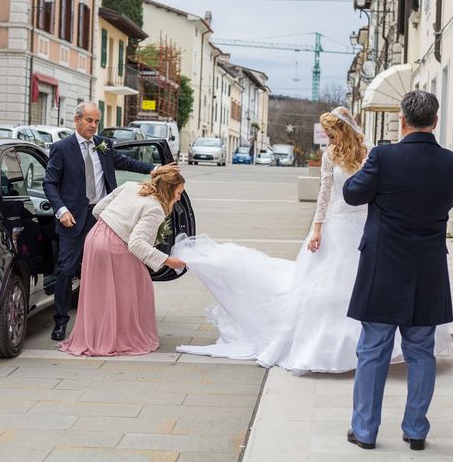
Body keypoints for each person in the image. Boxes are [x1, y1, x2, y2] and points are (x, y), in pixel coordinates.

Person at [173, 106, 450, 375]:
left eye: (332, 134)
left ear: (344, 130)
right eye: (327, 135)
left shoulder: (372, 154)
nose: (329, 140)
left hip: (365, 224)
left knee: (365, 287)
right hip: (337, 224)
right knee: (328, 287)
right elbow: (325, 193)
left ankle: (374, 350)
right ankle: (329, 348)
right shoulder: (330, 155)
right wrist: (317, 228)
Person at [344, 91, 453, 451]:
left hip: (384, 267)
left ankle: (365, 430)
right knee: (422, 351)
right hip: (430, 269)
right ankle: (416, 429)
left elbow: (352, 194)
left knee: (374, 348)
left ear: (403, 121)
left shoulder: (384, 156)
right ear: (434, 121)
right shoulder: (449, 162)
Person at [43, 101, 157, 341]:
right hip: (71, 220)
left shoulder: (104, 146)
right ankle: (61, 322)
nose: (93, 126)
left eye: (96, 121)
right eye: (89, 121)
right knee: (66, 270)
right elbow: (49, 183)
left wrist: (154, 168)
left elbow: (126, 162)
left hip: (103, 218)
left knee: (103, 271)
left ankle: (105, 320)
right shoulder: (61, 148)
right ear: (77, 121)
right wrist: (61, 210)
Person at [59, 167, 187, 356]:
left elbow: (98, 209)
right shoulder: (155, 209)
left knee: (99, 293)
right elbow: (136, 244)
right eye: (178, 193)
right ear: (169, 190)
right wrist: (168, 261)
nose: (178, 198)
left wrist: (116, 223)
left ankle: (97, 336)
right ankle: (120, 337)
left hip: (94, 239)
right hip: (115, 247)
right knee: (139, 287)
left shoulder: (129, 186)